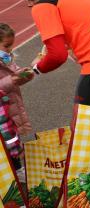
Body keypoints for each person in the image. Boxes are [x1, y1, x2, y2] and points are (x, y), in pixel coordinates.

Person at [20, 0, 90, 105]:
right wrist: (43, 54)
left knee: (82, 122)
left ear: (29, 2)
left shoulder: (42, 5)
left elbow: (58, 55)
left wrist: (37, 68)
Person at [0, 23, 34, 182]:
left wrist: (24, 74)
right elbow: (6, 82)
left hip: (10, 107)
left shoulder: (7, 58)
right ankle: (15, 170)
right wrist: (12, 79)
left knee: (13, 140)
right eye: (6, 46)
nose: (9, 49)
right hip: (3, 111)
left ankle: (17, 168)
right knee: (7, 142)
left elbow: (15, 75)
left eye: (10, 46)